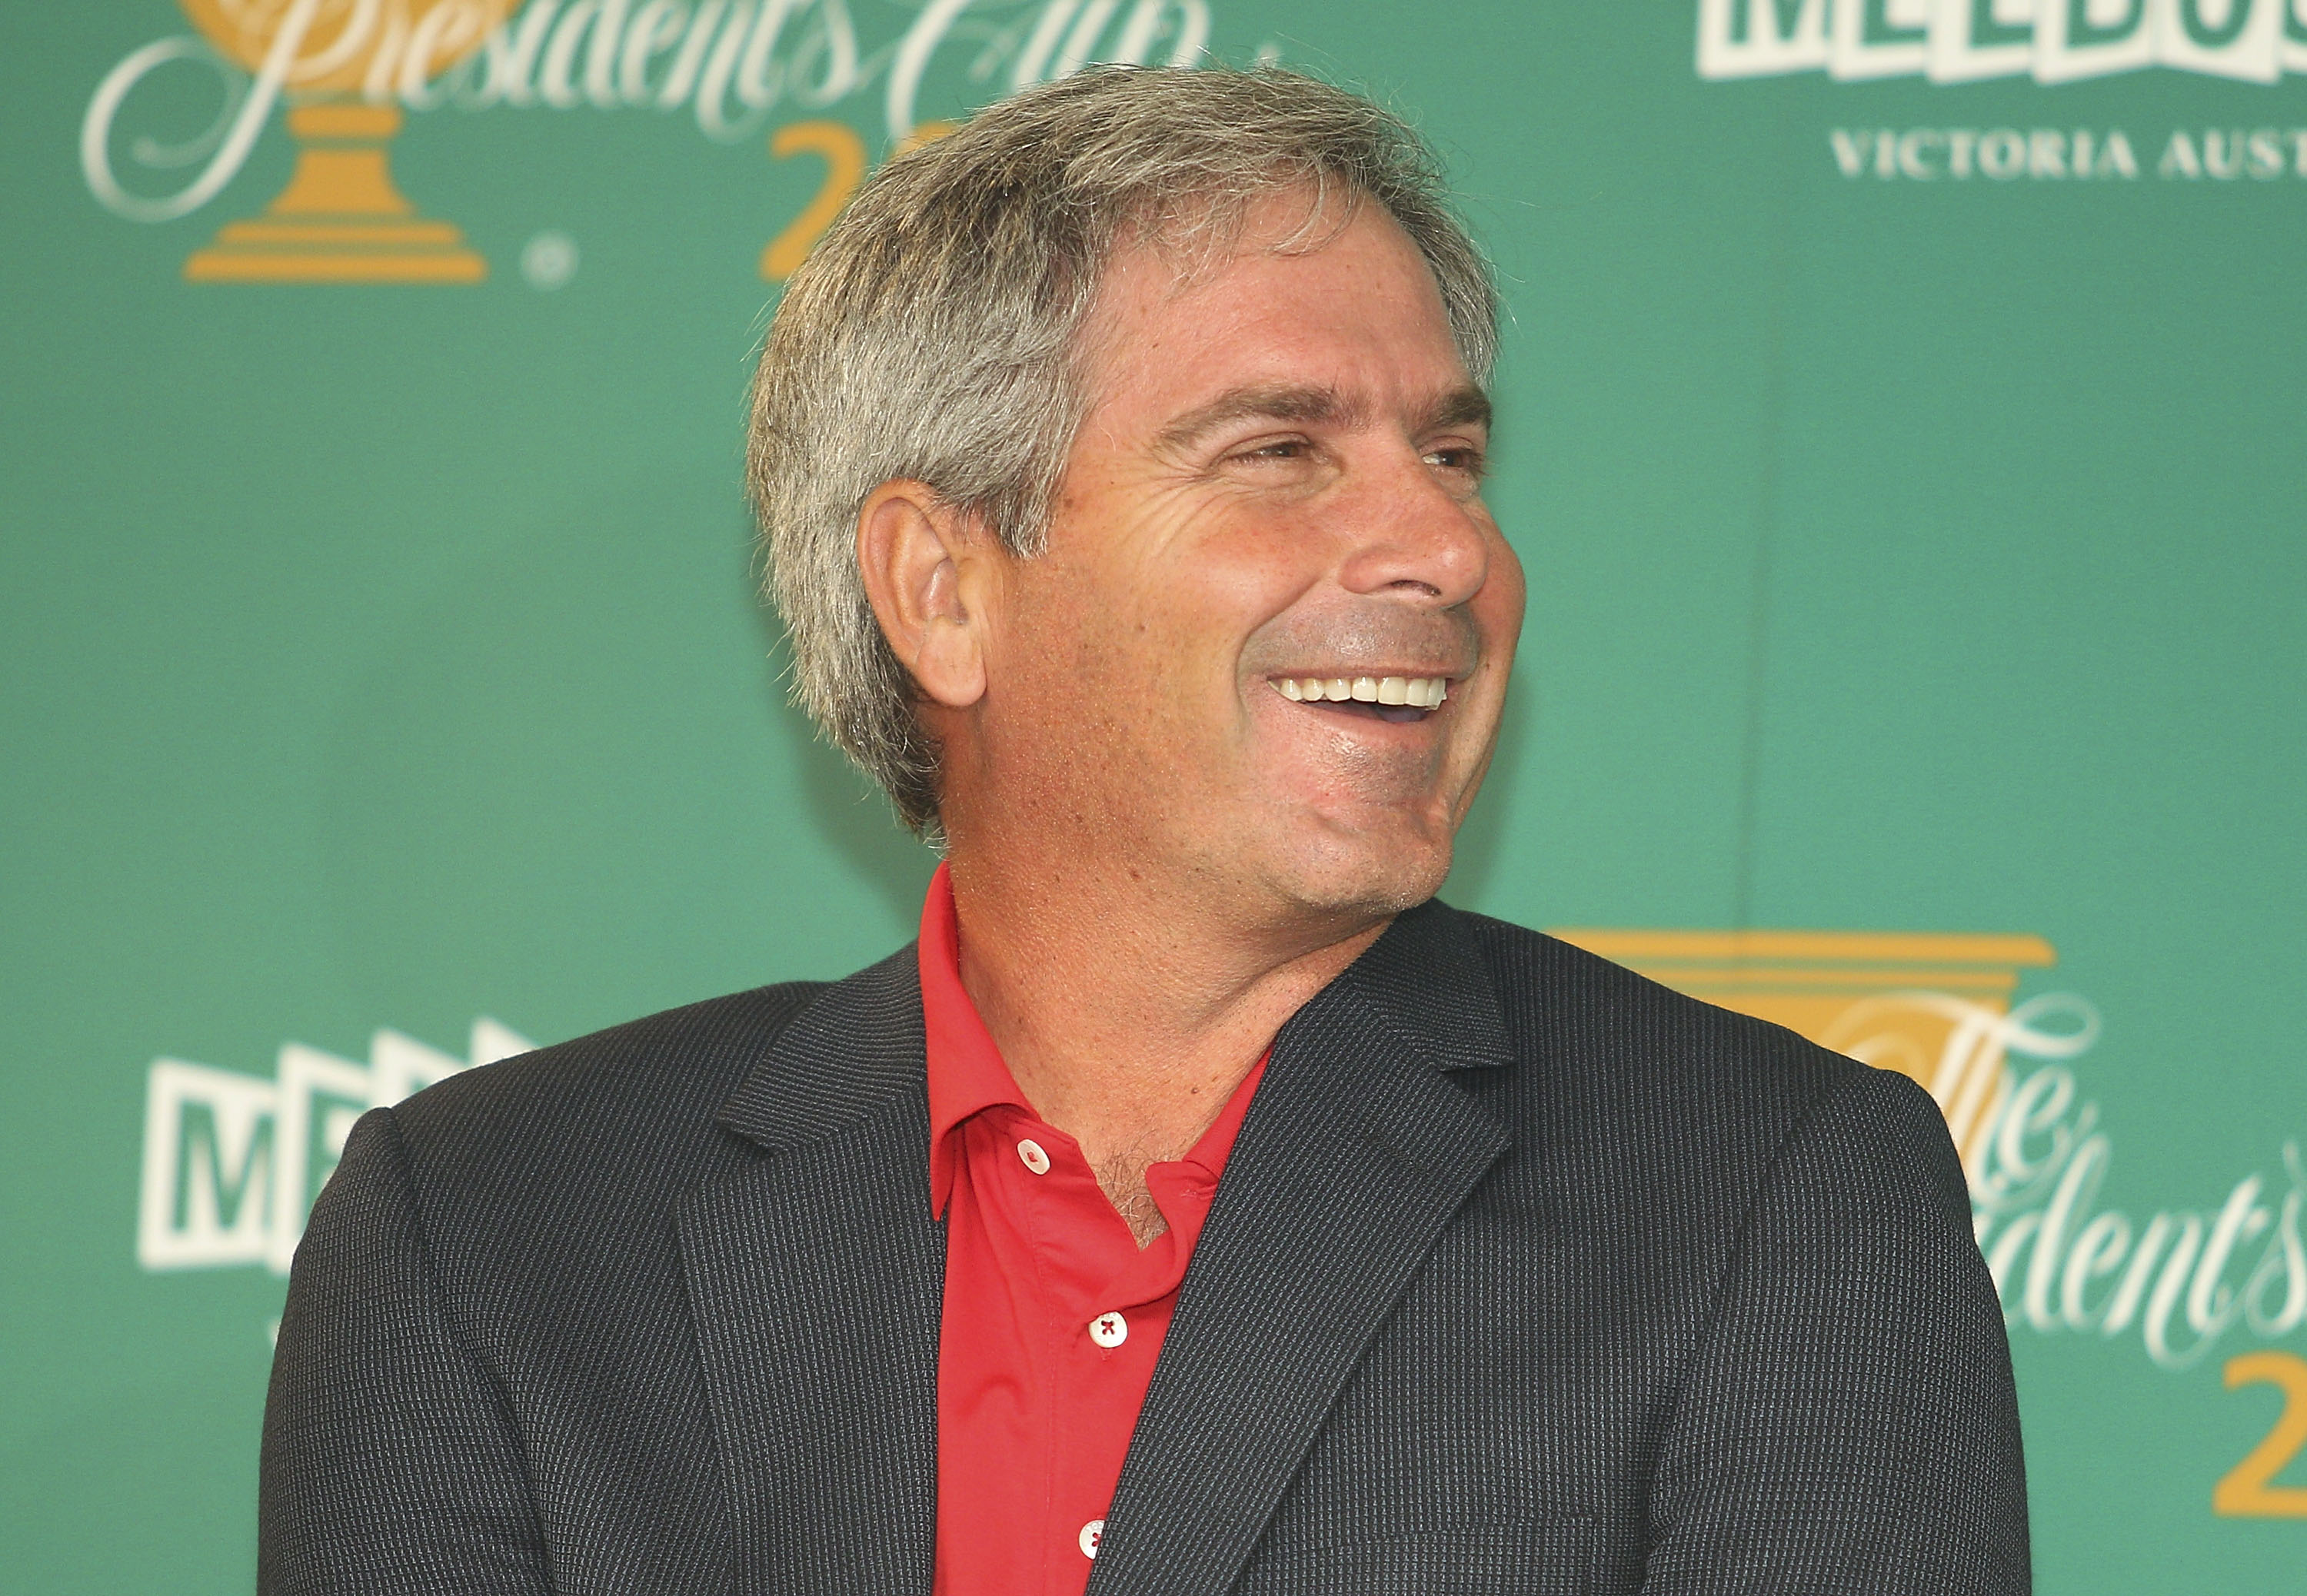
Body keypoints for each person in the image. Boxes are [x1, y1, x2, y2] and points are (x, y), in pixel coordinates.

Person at [259, 66, 2029, 1596]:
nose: (1444, 549)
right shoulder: (489, 1236)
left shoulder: (1766, 1200)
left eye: (1455, 456)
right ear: (942, 591)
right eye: (1281, 450)